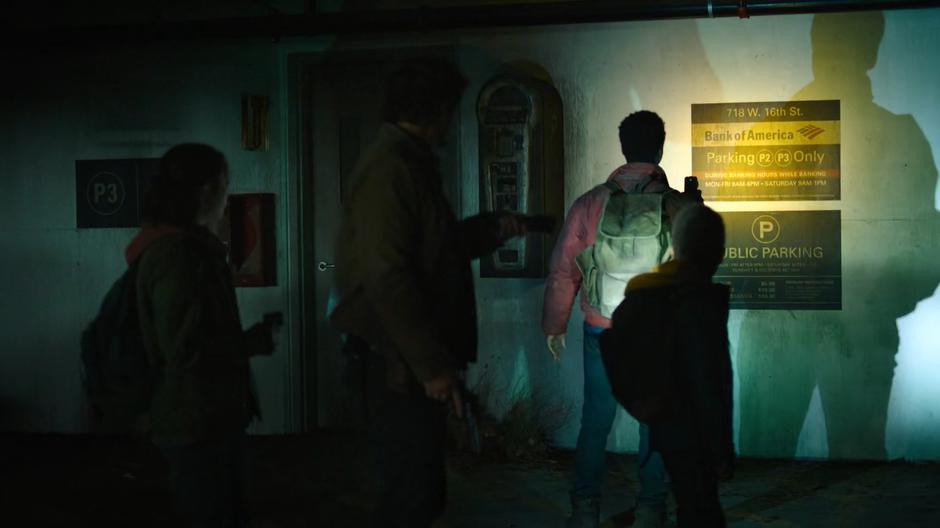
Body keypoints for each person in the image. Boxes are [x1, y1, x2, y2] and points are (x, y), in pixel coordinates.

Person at [329, 58, 527, 528]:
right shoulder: (393, 168)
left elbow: (429, 249)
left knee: (420, 492)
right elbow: (388, 273)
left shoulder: (404, 162)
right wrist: (431, 365)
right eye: (451, 109)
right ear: (436, 110)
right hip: (395, 364)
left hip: (403, 362)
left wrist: (487, 231)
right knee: (411, 494)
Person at [543, 110, 690, 528]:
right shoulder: (676, 204)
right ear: (660, 147)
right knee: (655, 421)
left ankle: (585, 509)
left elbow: (564, 270)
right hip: (656, 334)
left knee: (595, 421)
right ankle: (650, 509)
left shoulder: (590, 202)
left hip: (601, 328)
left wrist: (555, 326)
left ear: (623, 147)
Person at [131, 143, 280, 527]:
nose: (228, 196)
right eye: (225, 184)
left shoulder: (183, 249)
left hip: (204, 418)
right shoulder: (179, 256)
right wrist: (250, 344)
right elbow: (186, 350)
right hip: (196, 422)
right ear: (207, 190)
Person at [612, 205, 733, 527]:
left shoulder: (649, 292)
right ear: (716, 251)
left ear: (675, 246)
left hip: (662, 422)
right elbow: (709, 380)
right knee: (701, 511)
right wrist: (721, 447)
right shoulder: (696, 300)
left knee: (690, 503)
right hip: (692, 430)